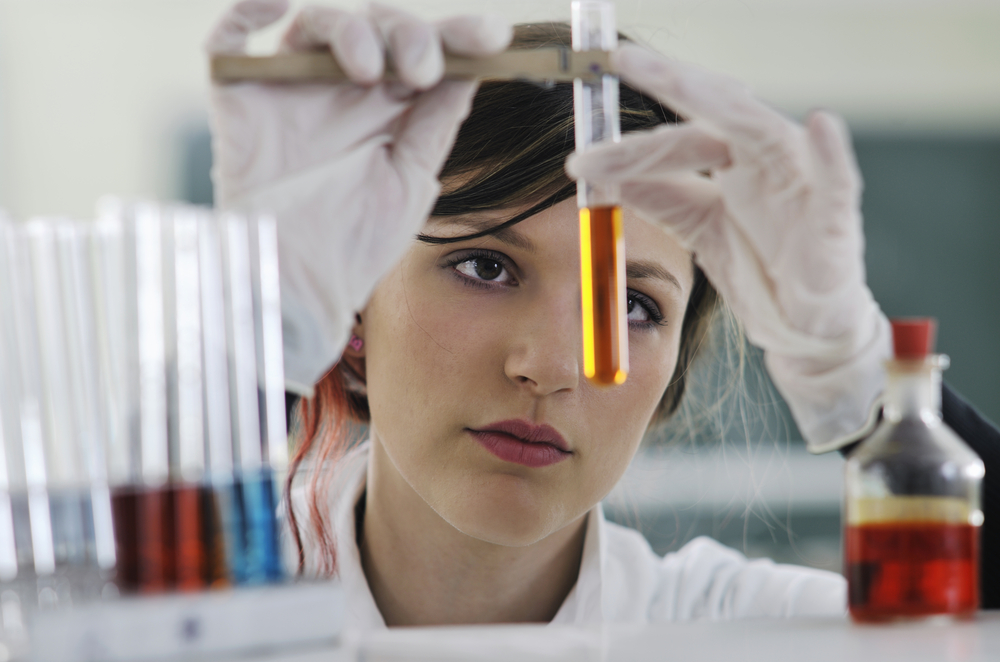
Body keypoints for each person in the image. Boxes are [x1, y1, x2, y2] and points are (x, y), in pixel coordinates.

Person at [206, 0, 999, 627]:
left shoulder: (738, 636)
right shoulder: (197, 599)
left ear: (670, 382)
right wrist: (262, 344)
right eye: (486, 266)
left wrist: (858, 381)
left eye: (633, 304)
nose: (552, 367)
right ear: (352, 313)